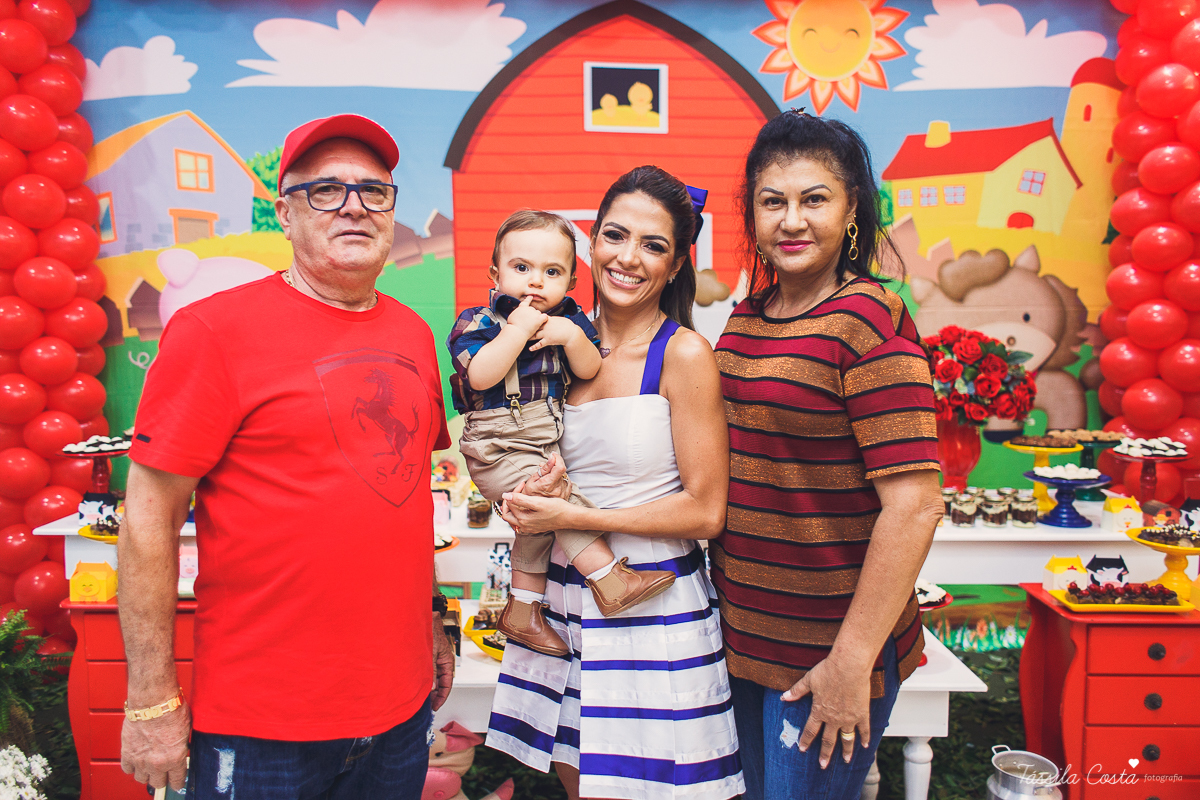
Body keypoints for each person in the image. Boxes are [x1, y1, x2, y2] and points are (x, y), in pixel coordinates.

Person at [118, 114, 455, 800]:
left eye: (374, 190)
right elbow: (147, 518)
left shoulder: (414, 332)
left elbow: (403, 494)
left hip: (398, 713)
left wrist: (431, 619)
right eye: (326, 190)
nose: (355, 205)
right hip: (261, 724)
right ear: (285, 214)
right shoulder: (213, 330)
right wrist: (151, 702)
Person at [487, 167, 744, 800]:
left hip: (651, 604)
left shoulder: (681, 355)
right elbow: (513, 448)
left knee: (657, 785)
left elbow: (707, 511)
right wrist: (522, 499)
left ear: (678, 263)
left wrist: (571, 520)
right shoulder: (548, 345)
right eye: (614, 235)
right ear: (589, 245)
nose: (628, 258)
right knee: (581, 784)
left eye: (653, 245)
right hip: (565, 601)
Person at [711, 110, 943, 799]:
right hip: (744, 638)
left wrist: (851, 661)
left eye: (814, 199)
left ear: (850, 215)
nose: (791, 220)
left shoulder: (871, 322)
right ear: (751, 214)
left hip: (831, 653)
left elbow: (916, 505)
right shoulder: (748, 317)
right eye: (772, 201)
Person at [448, 209, 676, 657]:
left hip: (544, 442)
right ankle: (610, 579)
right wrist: (517, 331)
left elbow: (590, 367)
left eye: (552, 272)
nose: (536, 282)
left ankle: (523, 611)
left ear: (571, 282)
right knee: (553, 507)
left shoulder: (571, 322)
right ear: (495, 274)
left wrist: (569, 337)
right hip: (498, 441)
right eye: (521, 268)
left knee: (536, 528)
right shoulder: (479, 322)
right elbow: (480, 376)